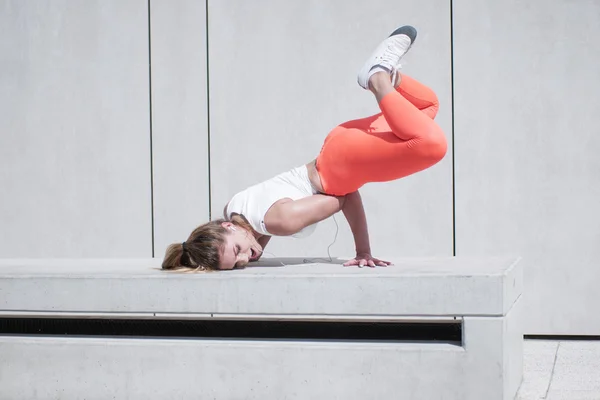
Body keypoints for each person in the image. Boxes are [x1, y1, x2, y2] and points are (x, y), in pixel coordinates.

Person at [162, 25, 447, 272]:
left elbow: (345, 196)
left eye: (237, 251)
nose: (244, 260)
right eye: (236, 264)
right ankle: (385, 76)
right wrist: (250, 246)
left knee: (432, 146)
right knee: (425, 108)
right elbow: (259, 223)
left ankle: (377, 76)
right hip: (339, 148)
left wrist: (363, 251)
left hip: (344, 162)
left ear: (227, 227)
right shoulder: (235, 210)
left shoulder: (279, 222)